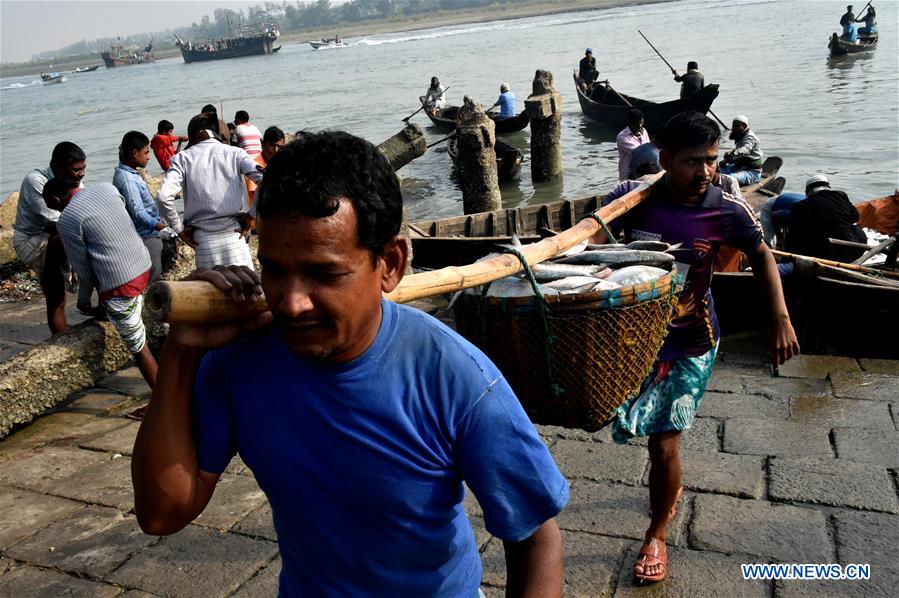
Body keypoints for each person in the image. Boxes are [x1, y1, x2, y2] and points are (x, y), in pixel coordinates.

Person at [131, 131, 569, 596]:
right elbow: (162, 512)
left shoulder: (457, 380)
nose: (293, 303)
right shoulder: (239, 358)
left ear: (391, 264)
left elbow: (536, 534)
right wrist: (182, 353)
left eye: (325, 274)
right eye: (275, 270)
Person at [601, 111, 799, 584]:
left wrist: (780, 317)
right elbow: (591, 239)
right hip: (640, 338)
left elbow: (762, 255)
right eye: (693, 162)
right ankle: (666, 495)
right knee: (645, 434)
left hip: (692, 341)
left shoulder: (725, 208)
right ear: (665, 159)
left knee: (663, 442)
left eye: (711, 161)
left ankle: (657, 535)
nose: (705, 172)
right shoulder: (631, 203)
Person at [44, 178, 157, 389]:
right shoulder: (107, 187)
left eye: (55, 207)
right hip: (144, 265)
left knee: (139, 349)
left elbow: (84, 271)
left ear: (56, 199)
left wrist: (84, 302)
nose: (58, 211)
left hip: (122, 285)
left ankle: (163, 405)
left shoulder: (67, 219)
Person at [156, 113, 263, 270]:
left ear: (192, 135)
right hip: (235, 238)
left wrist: (180, 230)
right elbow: (266, 180)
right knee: (246, 290)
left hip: (203, 243)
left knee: (210, 292)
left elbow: (163, 197)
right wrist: (251, 217)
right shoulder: (235, 153)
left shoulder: (182, 158)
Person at [12, 142, 89, 334]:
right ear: (58, 168)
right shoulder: (36, 181)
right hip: (33, 240)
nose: (81, 174)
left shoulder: (74, 181)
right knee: (56, 297)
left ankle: (87, 301)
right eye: (75, 170)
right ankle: (61, 336)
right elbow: (61, 221)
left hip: (55, 235)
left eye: (83, 169)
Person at [113, 131, 175, 281]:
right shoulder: (128, 180)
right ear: (135, 153)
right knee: (154, 275)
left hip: (149, 232)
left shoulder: (127, 173)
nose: (149, 156)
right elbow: (138, 212)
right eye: (146, 152)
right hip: (147, 235)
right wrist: (161, 227)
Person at [786, 175, 868, 263]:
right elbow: (855, 217)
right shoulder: (841, 196)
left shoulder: (801, 205)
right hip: (853, 250)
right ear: (827, 186)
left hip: (823, 255)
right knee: (856, 229)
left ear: (808, 190)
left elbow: (794, 236)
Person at [246, 125, 285, 206]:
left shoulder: (280, 164)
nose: (275, 150)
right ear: (263, 144)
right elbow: (259, 197)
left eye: (279, 147)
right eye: (272, 145)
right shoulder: (254, 166)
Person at [719, 115, 764, 186]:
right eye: (733, 126)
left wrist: (734, 153)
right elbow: (739, 151)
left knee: (727, 178)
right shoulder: (741, 136)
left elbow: (745, 149)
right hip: (737, 168)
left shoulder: (750, 137)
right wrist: (729, 156)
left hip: (751, 173)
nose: (734, 128)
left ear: (744, 126)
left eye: (737, 126)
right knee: (715, 171)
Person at [616, 109, 651, 181]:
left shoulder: (644, 131)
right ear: (629, 123)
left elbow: (649, 149)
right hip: (629, 176)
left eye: (641, 122)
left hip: (644, 173)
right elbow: (640, 152)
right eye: (636, 124)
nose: (639, 126)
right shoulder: (622, 137)